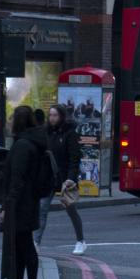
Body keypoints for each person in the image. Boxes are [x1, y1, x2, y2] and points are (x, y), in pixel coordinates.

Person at [2, 105, 50, 279]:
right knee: (21, 247)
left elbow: (17, 179)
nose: (10, 122)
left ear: (18, 122)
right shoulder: (31, 142)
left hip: (21, 204)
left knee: (26, 248)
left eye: (12, 119)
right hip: (29, 201)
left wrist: (7, 207)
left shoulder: (23, 145)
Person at [35, 105, 86, 255]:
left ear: (62, 116)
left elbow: (74, 158)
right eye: (50, 115)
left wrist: (71, 178)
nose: (52, 118)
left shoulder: (70, 133)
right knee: (42, 209)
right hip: (48, 177)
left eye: (55, 115)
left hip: (65, 178)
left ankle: (80, 241)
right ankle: (36, 243)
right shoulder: (46, 133)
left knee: (71, 209)